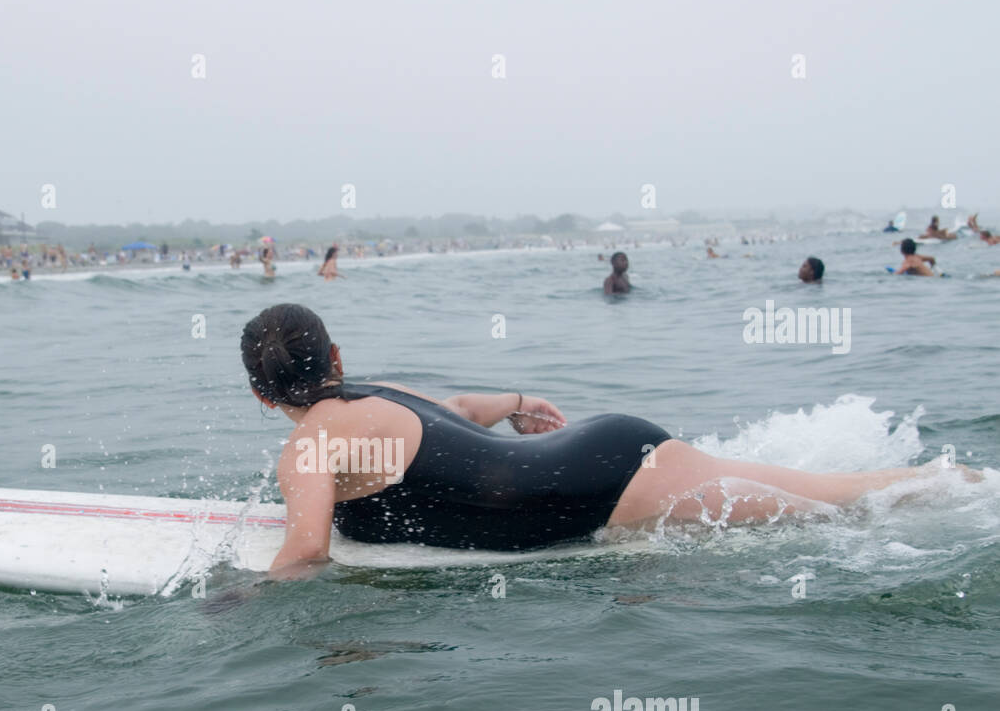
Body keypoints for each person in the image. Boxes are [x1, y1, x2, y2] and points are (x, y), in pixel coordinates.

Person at [239, 304, 965, 580]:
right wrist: (520, 402)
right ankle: (947, 480)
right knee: (821, 493)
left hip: (605, 487)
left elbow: (305, 552)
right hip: (598, 450)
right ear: (336, 357)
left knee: (848, 506)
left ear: (260, 394)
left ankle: (961, 486)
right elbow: (459, 407)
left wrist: (242, 599)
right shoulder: (372, 396)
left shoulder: (308, 447)